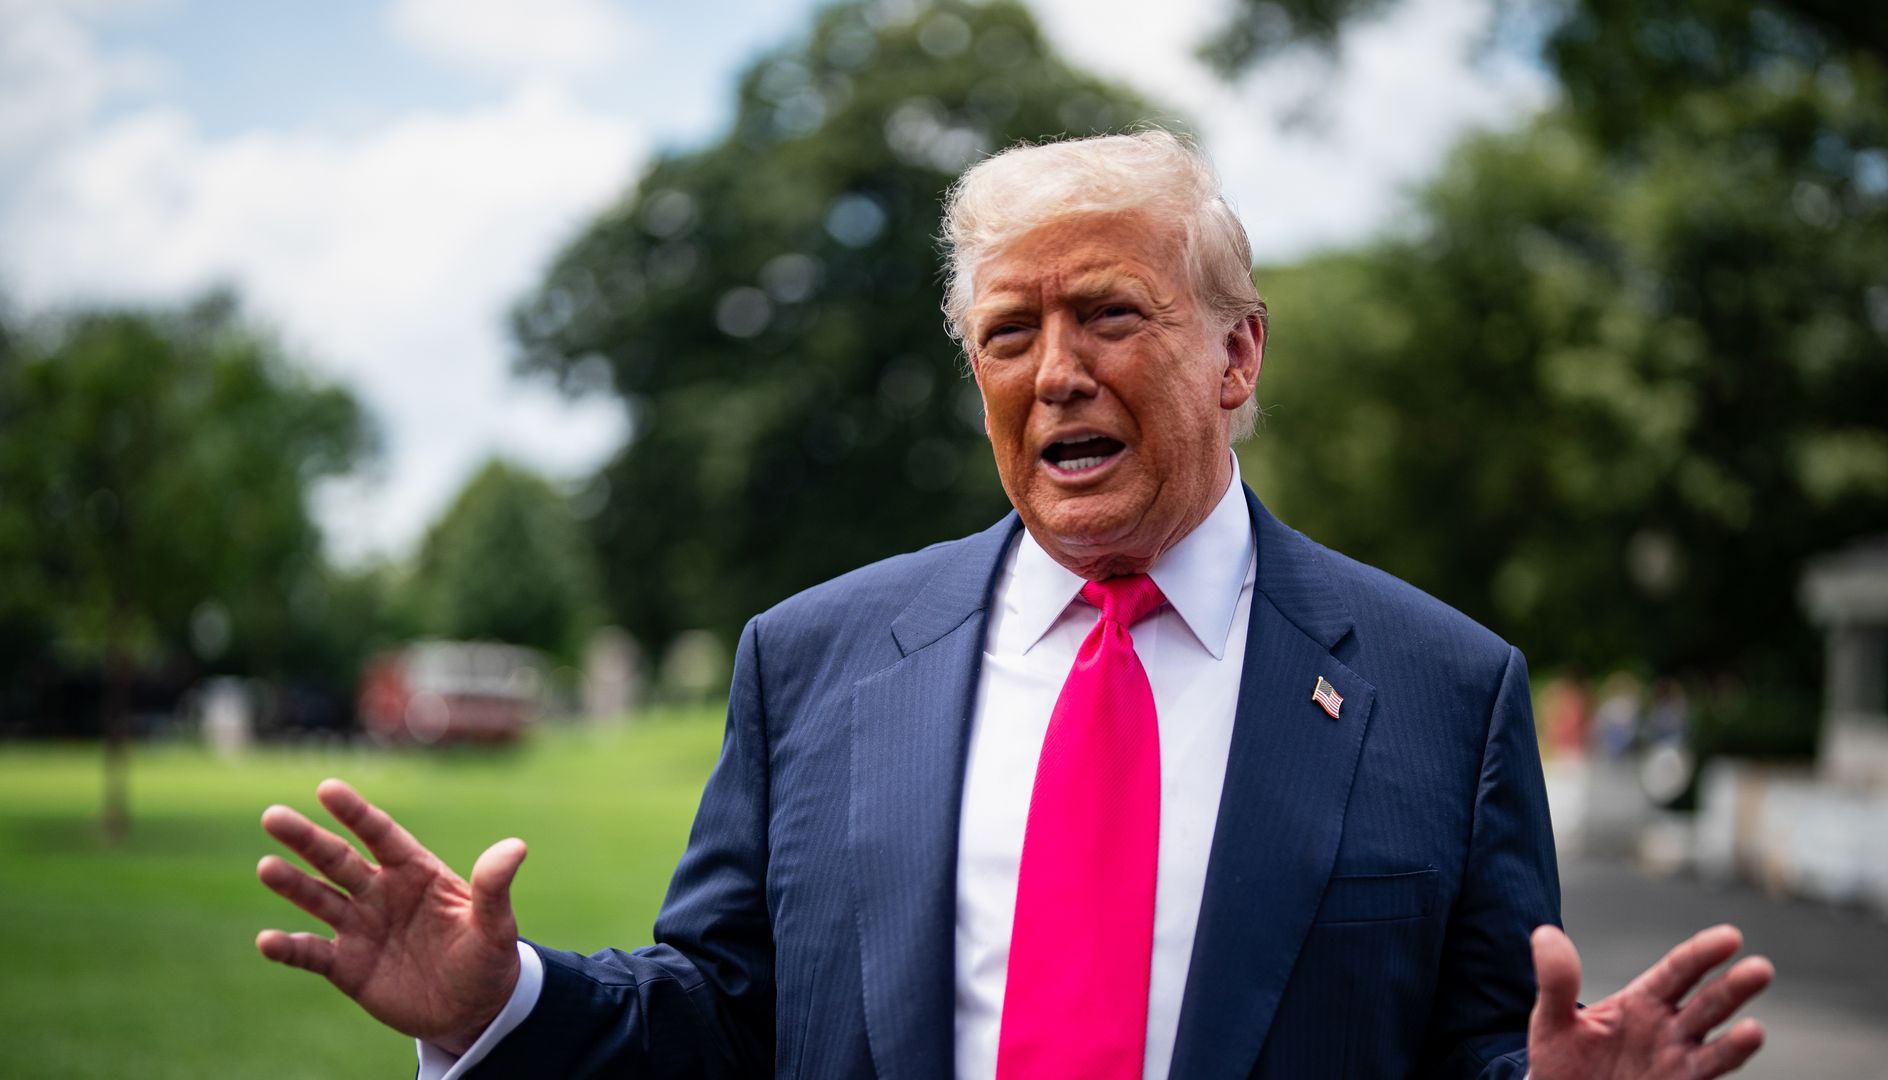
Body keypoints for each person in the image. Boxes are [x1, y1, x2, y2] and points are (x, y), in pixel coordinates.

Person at [255, 131, 1773, 1079]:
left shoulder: (1447, 687)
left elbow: (1476, 1052)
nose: (1055, 371)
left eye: (1111, 312)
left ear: (1238, 359)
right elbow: (726, 1021)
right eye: (1008, 332)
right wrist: (502, 1002)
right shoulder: (816, 661)